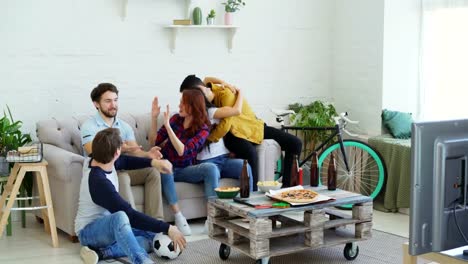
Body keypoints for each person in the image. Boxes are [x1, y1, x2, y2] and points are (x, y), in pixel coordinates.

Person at [75, 128, 186, 264]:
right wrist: (168, 227)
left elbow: (126, 161)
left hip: (109, 226)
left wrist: (154, 162)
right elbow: (130, 216)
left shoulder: (102, 159)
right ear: (117, 152)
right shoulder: (98, 181)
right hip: (88, 233)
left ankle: (101, 253)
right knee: (121, 217)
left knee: (153, 237)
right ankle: (142, 261)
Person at [179, 75, 303, 190]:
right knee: (250, 152)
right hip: (234, 134)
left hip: (251, 126)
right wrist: (223, 82)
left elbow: (227, 123)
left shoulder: (225, 93)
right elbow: (206, 79)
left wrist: (208, 139)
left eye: (190, 97)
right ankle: (253, 194)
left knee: (295, 143)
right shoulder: (206, 98)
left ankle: (287, 188)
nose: (190, 101)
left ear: (200, 90)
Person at [80, 83, 164, 219]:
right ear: (96, 104)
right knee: (122, 177)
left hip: (123, 166)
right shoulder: (89, 126)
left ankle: (156, 222)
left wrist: (148, 154)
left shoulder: (124, 127)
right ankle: (131, 223)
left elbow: (135, 151)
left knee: (152, 171)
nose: (113, 105)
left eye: (115, 100)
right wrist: (119, 147)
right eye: (108, 101)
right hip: (104, 172)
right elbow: (93, 152)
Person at [148, 89, 218, 236]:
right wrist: (154, 118)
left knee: (211, 168)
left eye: (183, 103)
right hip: (169, 166)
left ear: (193, 107)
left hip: (187, 169)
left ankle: (212, 218)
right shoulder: (175, 119)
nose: (179, 106)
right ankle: (179, 217)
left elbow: (183, 151)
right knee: (164, 166)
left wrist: (168, 128)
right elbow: (153, 142)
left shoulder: (203, 129)